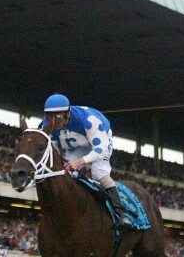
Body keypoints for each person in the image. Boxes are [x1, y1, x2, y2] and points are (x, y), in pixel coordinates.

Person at [41, 94, 133, 232]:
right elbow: (51, 150)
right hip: (76, 145)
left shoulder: (89, 120)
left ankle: (122, 214)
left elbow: (101, 150)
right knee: (67, 173)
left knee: (98, 172)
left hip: (98, 141)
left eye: (58, 118)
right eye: (49, 117)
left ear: (68, 114)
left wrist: (80, 161)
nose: (54, 122)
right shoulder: (46, 126)